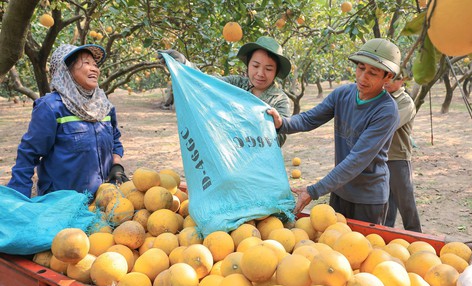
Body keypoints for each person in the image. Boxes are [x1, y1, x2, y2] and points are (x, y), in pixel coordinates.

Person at [267, 38, 401, 225]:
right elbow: (309, 118)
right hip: (340, 189)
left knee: (363, 250)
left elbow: (356, 160)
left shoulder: (386, 110)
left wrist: (314, 191)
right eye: (361, 68)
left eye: (372, 73)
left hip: (368, 198)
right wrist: (282, 124)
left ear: (387, 77)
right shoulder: (343, 94)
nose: (363, 77)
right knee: (334, 243)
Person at [7, 44, 128, 199]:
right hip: (61, 204)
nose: (94, 69)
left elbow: (115, 140)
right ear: (65, 71)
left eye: (95, 65)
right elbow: (28, 155)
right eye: (86, 63)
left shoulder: (103, 106)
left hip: (101, 201)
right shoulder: (51, 107)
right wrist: (17, 200)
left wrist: (116, 165)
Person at [158, 36, 292, 146]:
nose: (260, 73)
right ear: (248, 65)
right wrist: (184, 65)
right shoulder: (236, 83)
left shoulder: (280, 100)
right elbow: (208, 83)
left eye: (268, 69)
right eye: (256, 66)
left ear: (275, 72)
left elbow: (279, 140)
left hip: (257, 165)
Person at [383, 72, 422, 232]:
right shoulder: (382, 97)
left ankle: (415, 234)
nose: (388, 82)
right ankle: (386, 230)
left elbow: (389, 124)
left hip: (398, 156)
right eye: (387, 77)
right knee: (386, 199)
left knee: (405, 200)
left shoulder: (405, 101)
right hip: (382, 156)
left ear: (403, 80)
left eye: (394, 78)